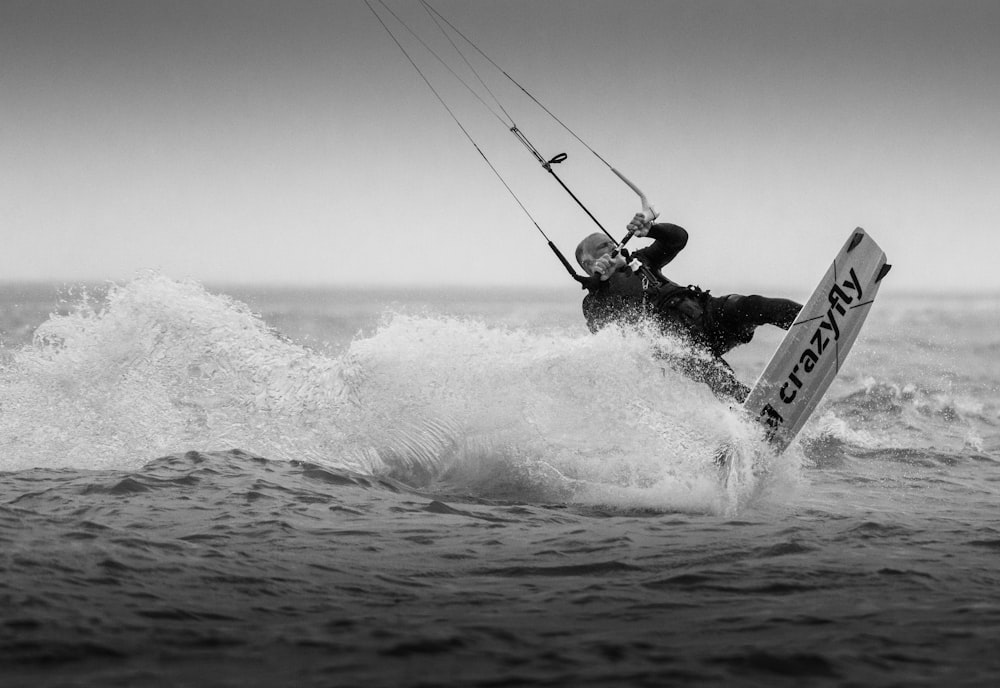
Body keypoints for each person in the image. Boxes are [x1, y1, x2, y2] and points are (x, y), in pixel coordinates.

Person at [575, 214, 802, 403]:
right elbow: (603, 329)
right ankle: (751, 415)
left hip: (708, 314)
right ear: (588, 263)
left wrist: (653, 229)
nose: (613, 246)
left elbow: (678, 239)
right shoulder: (595, 302)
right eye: (603, 246)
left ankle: (809, 322)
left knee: (751, 305)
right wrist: (602, 283)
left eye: (612, 241)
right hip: (683, 346)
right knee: (717, 375)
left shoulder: (642, 260)